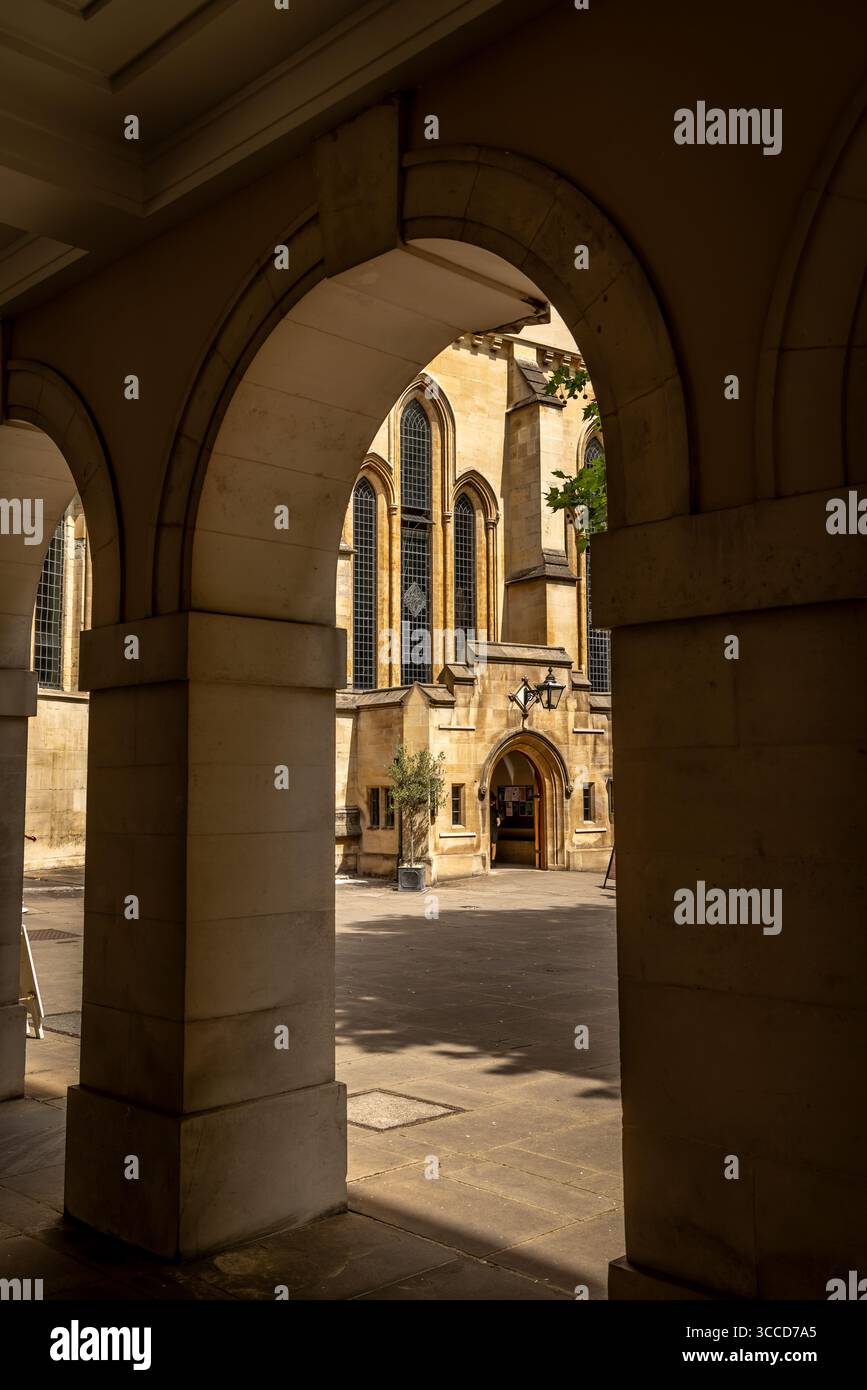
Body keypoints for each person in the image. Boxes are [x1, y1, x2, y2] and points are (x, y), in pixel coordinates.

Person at [490, 794, 502, 865]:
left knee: (492, 845)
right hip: (493, 829)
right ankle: (493, 860)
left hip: (490, 829)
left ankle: (491, 860)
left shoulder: (493, 810)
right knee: (493, 845)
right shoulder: (495, 810)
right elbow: (498, 822)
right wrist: (495, 827)